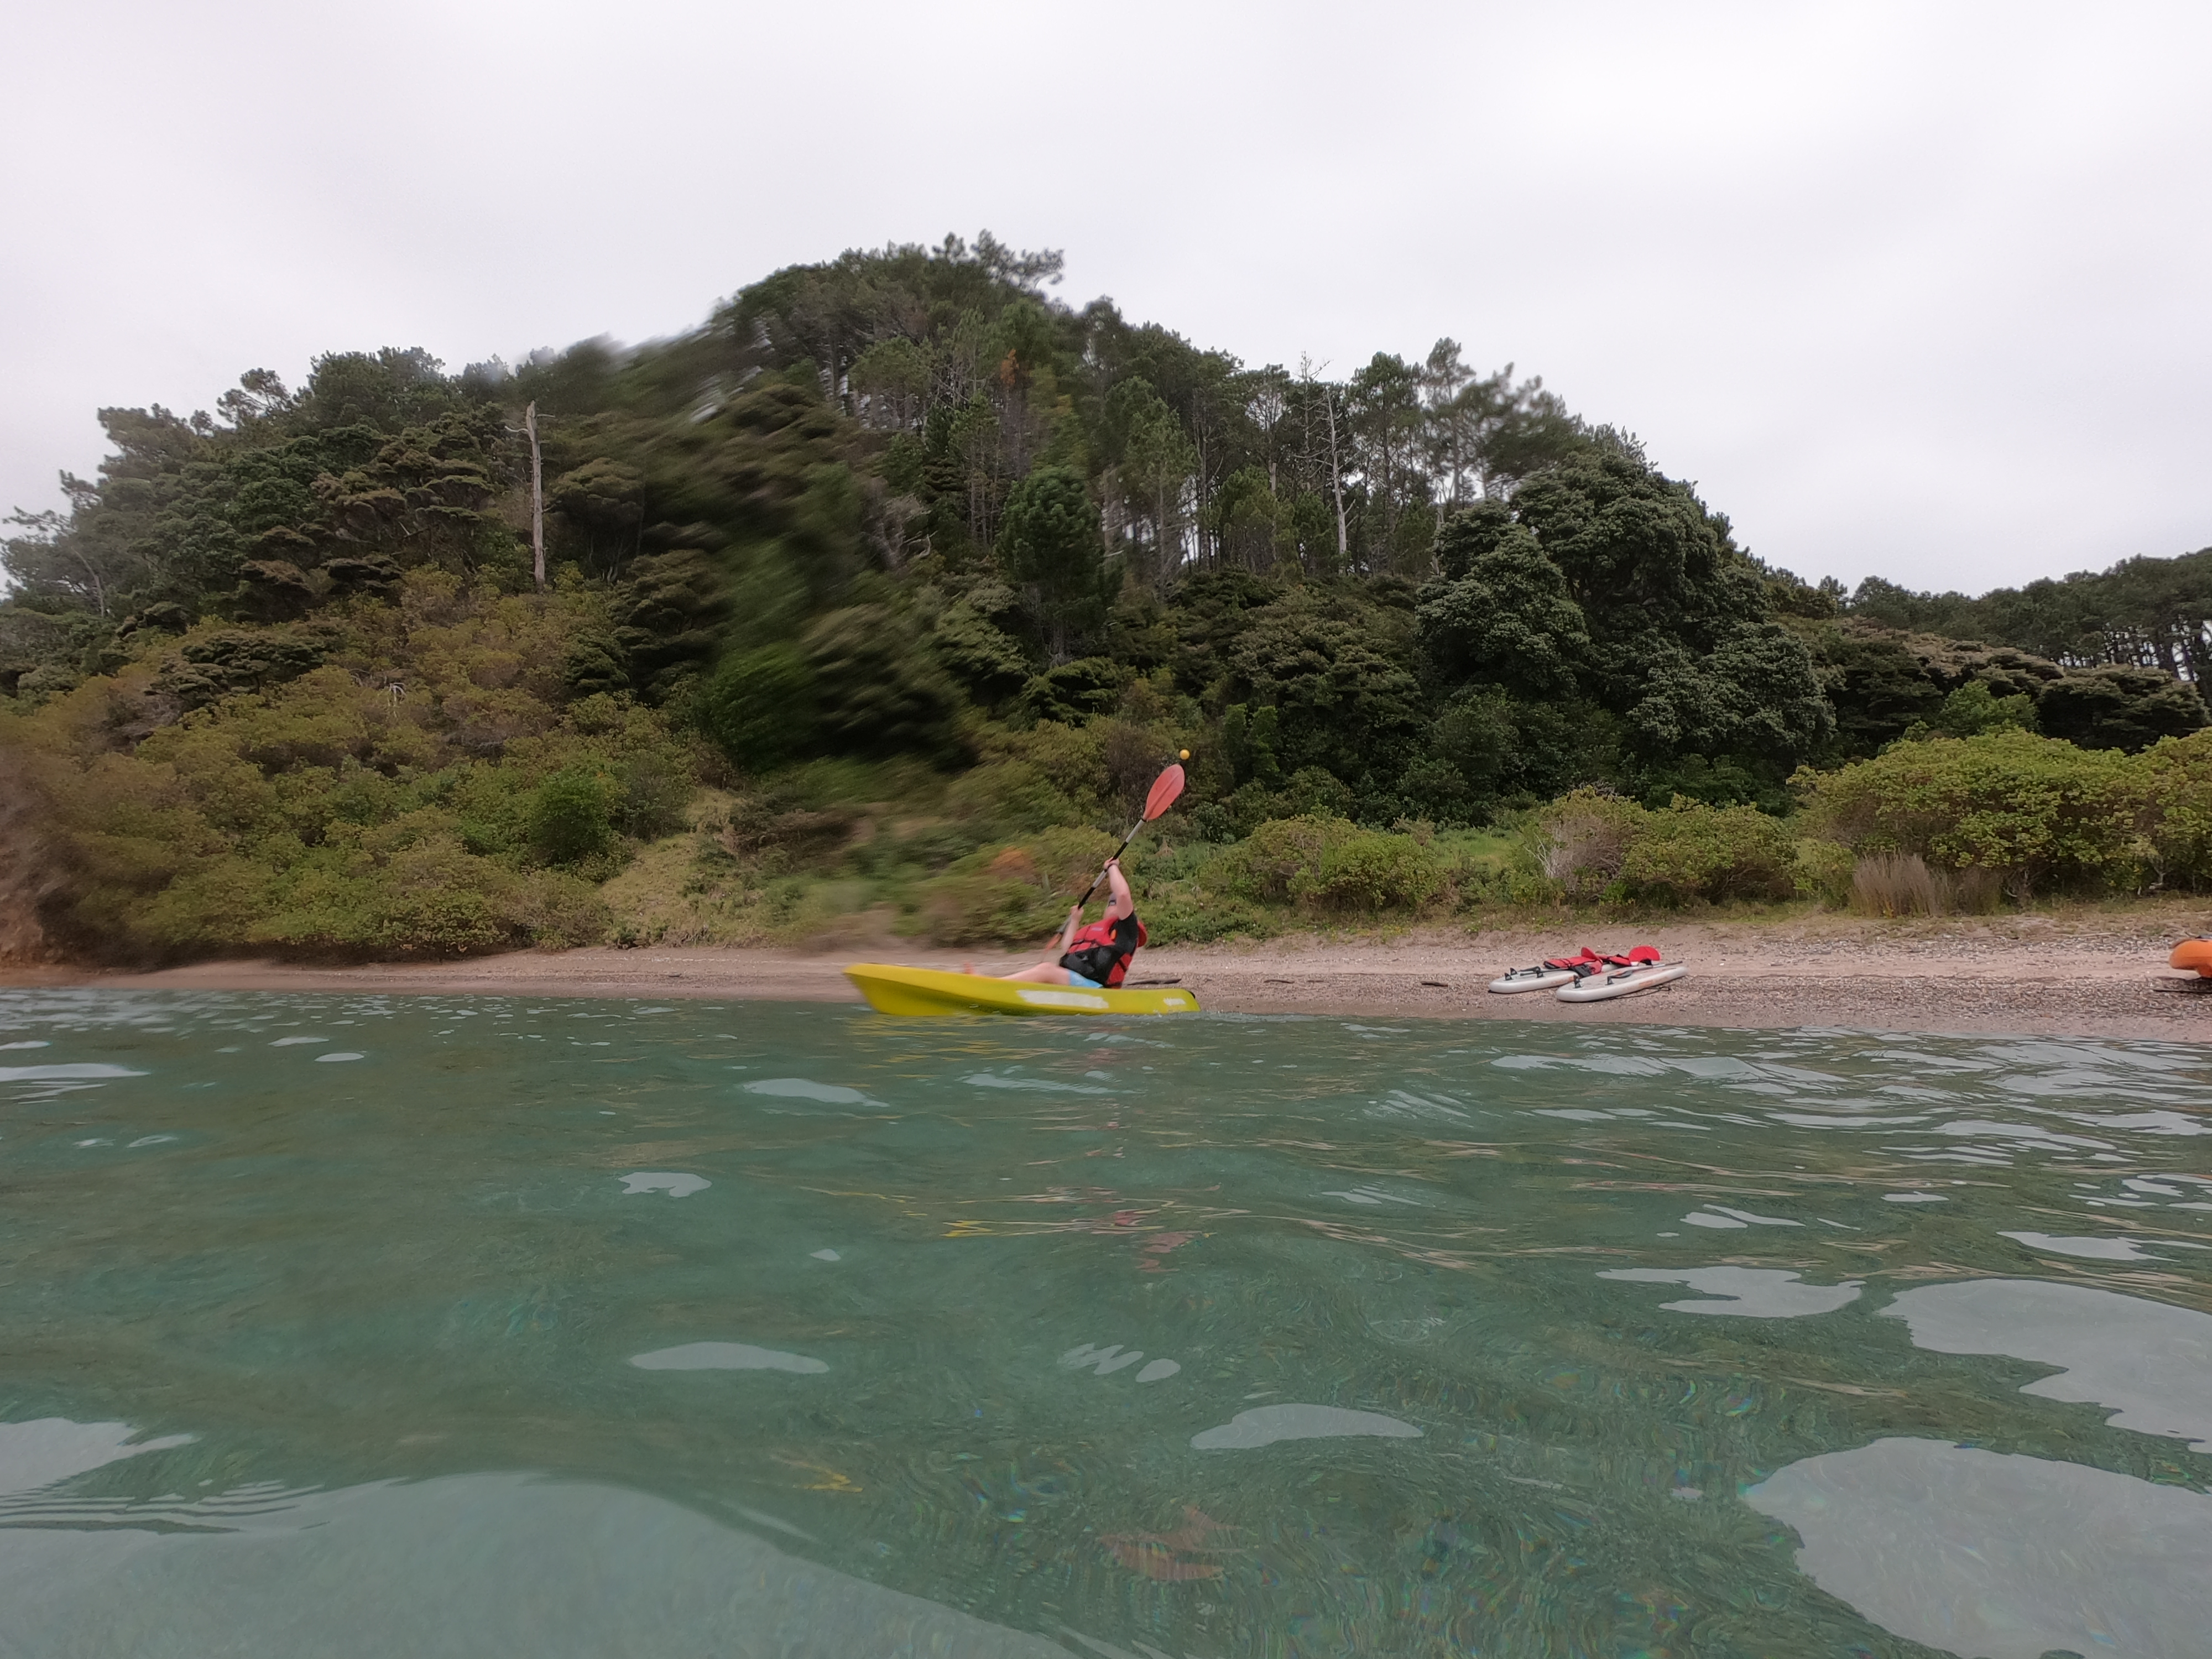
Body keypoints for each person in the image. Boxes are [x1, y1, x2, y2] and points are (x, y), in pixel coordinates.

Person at [990, 858, 1146, 988]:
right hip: (1077, 983)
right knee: (1047, 974)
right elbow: (1067, 949)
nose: (1113, 908)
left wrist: (1112, 867)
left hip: (1099, 989)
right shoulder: (1096, 930)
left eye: (1116, 904)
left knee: (1046, 970)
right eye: (1110, 905)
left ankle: (991, 986)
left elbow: (1124, 894)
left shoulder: (1127, 929)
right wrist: (1075, 920)